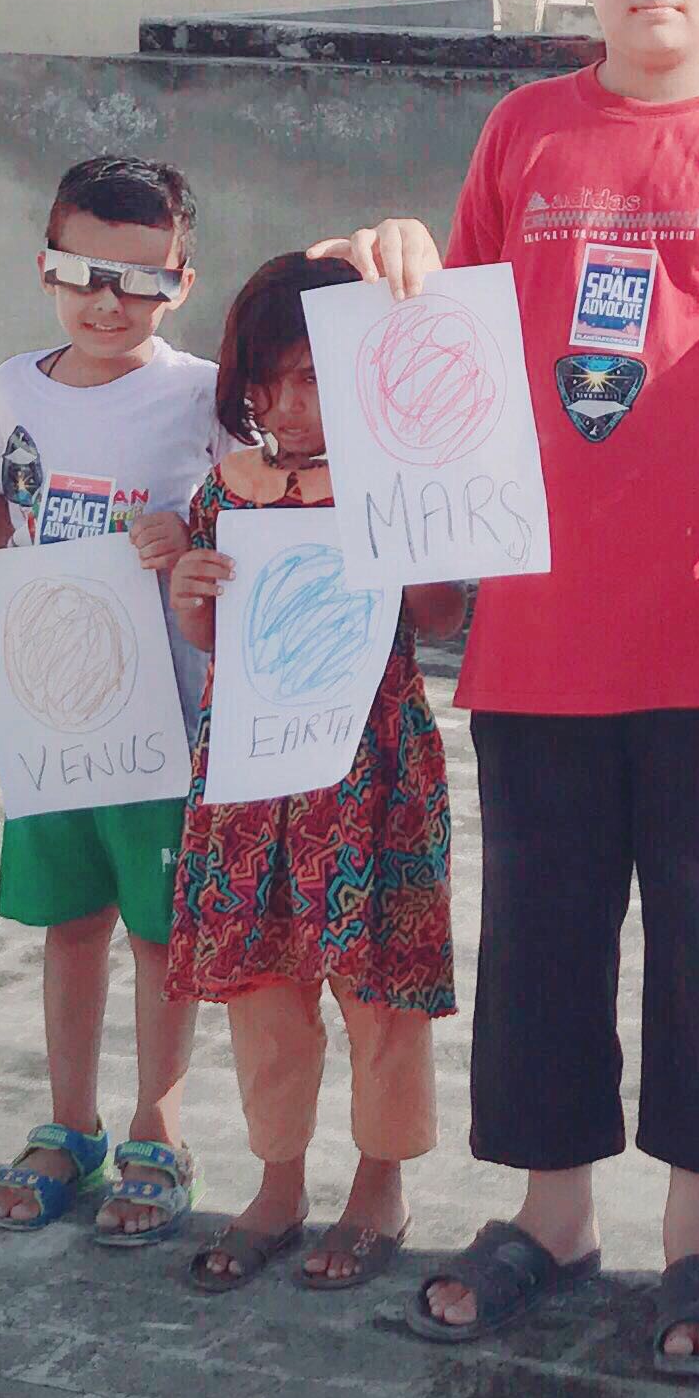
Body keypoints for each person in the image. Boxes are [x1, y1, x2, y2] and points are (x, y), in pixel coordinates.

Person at [317, 0, 699, 1375]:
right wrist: (379, 263)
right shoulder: (523, 134)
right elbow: (450, 349)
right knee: (541, 937)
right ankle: (551, 1215)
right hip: (537, 638)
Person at [0, 154, 219, 1244]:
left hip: (165, 720)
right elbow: (9, 515)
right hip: (52, 714)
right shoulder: (13, 385)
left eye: (139, 280)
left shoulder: (204, 393)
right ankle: (70, 1124)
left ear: (181, 283)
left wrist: (189, 534)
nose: (107, 301)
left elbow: (247, 515)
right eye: (84, 273)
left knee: (160, 932)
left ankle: (157, 1128)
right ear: (45, 265)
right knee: (71, 924)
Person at [153, 254, 465, 1295]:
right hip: (251, 780)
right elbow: (212, 636)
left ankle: (379, 1186)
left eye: (313, 378)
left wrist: (401, 523)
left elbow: (440, 615)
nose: (287, 405)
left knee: (379, 985)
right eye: (267, 381)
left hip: (372, 774)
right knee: (261, 986)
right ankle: (277, 1182)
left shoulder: (395, 480)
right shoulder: (223, 492)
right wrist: (190, 593)